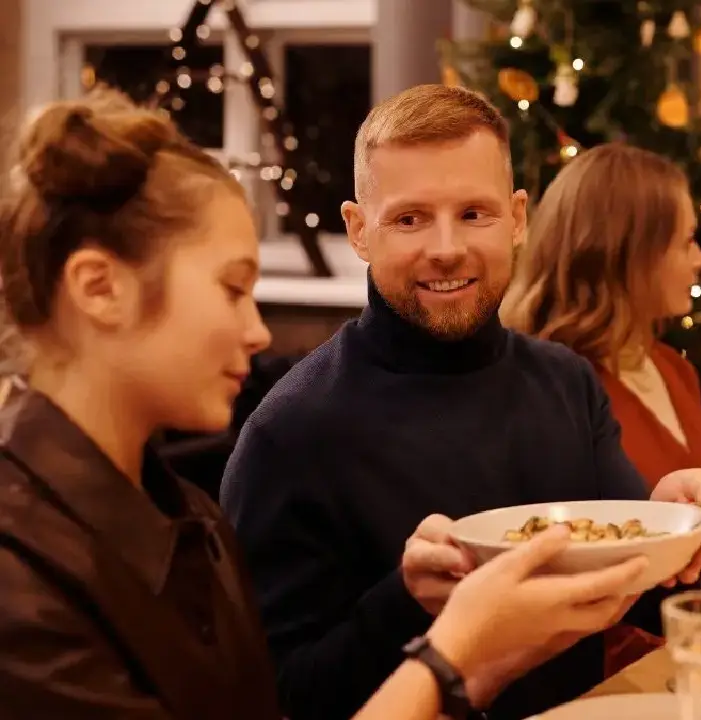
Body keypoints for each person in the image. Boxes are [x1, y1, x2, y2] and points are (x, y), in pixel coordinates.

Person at [0, 89, 650, 719]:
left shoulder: (180, 513)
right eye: (233, 288)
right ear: (98, 288)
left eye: (473, 213)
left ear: (516, 217)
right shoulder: (24, 569)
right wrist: (451, 656)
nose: (258, 334)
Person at [220, 84, 701, 720]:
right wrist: (408, 603)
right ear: (358, 231)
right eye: (409, 219)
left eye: (475, 214)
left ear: (517, 219)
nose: (446, 248)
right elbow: (275, 698)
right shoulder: (292, 432)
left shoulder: (566, 383)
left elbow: (635, 597)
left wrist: (677, 539)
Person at [501, 142, 701, 675]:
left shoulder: (672, 368)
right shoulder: (551, 390)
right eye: (686, 242)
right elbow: (566, 602)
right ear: (629, 255)